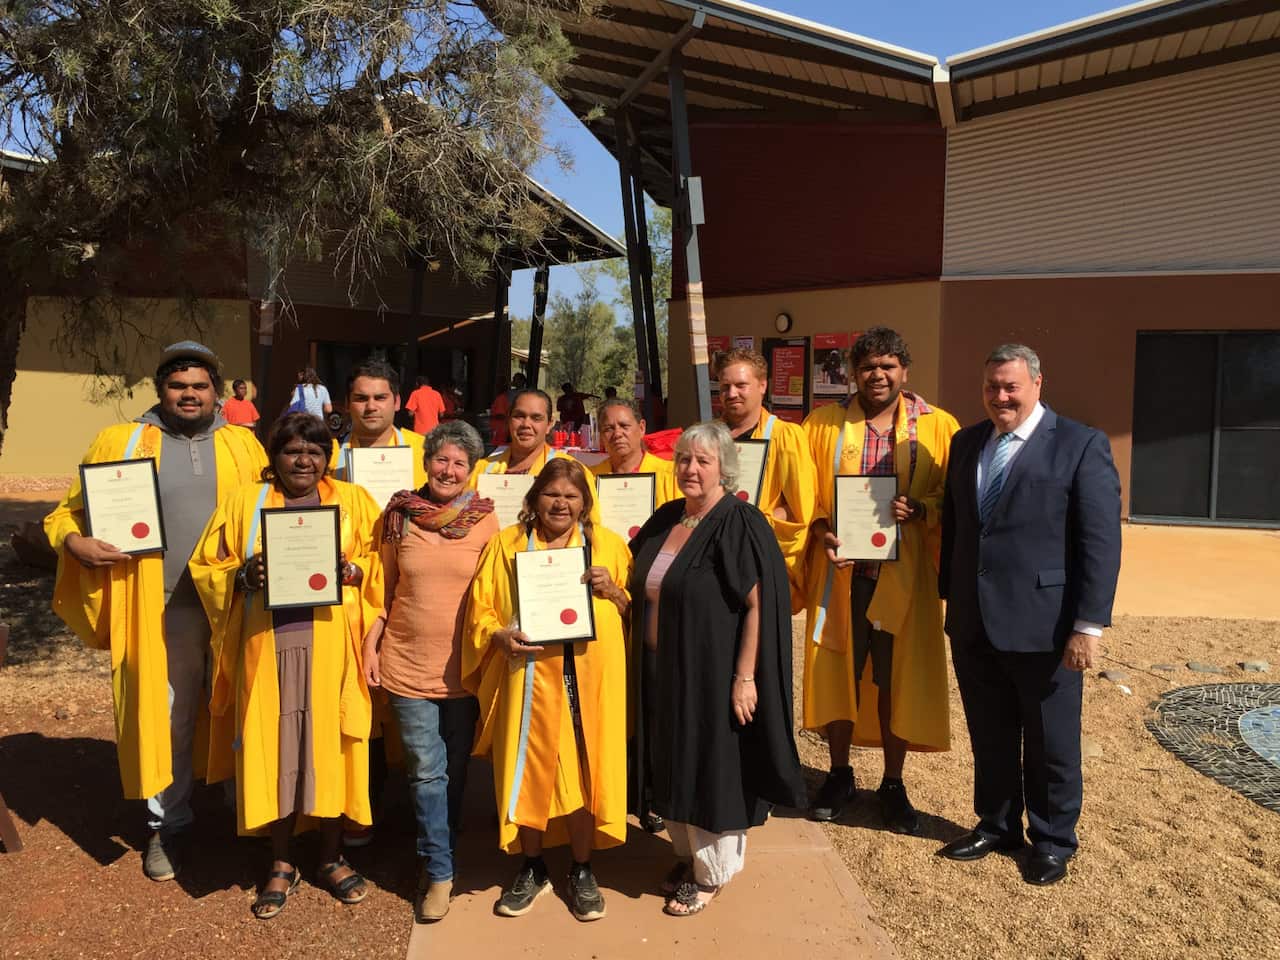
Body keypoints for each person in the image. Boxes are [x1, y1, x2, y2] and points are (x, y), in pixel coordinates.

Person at [44, 341, 267, 881]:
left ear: (218, 392)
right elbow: (65, 514)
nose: (189, 394)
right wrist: (75, 543)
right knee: (171, 715)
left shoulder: (244, 445)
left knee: (246, 705)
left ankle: (251, 814)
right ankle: (169, 823)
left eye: (200, 386)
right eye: (177, 385)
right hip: (163, 606)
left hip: (238, 603)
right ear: (159, 389)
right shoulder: (120, 443)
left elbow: (277, 506)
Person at [938, 344, 1121, 887]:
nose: (1001, 397)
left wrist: (1088, 625)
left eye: (1011, 386)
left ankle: (1053, 839)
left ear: (1037, 385)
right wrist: (951, 598)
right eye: (992, 387)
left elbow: (1100, 542)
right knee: (990, 734)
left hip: (1046, 624)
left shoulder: (1081, 445)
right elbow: (959, 528)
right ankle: (996, 824)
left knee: (1051, 740)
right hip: (975, 622)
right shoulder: (967, 442)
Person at [189, 412, 384, 918]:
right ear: (275, 456)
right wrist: (240, 575)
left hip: (330, 644)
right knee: (274, 748)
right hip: (265, 641)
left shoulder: (353, 502)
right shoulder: (244, 503)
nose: (304, 459)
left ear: (328, 457)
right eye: (293, 450)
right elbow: (206, 565)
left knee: (331, 746)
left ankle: (329, 857)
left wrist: (355, 569)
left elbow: (381, 562)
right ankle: (280, 862)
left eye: (315, 451)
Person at [628, 421, 806, 917]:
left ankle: (711, 875)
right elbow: (639, 580)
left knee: (711, 768)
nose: (691, 468)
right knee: (675, 762)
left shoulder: (738, 522)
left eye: (703, 460)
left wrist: (745, 677)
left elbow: (757, 605)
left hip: (712, 675)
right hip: (663, 671)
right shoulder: (667, 519)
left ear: (724, 468)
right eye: (684, 458)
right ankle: (687, 857)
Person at [801, 328, 959, 833]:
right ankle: (840, 773)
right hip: (843, 576)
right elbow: (808, 500)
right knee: (840, 674)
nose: (878, 375)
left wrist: (920, 509)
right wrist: (823, 531)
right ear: (853, 372)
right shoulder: (822, 425)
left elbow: (950, 500)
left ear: (904, 371)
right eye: (868, 365)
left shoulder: (938, 427)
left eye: (888, 365)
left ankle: (893, 781)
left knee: (897, 678)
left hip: (904, 578)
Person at [462, 458, 631, 921]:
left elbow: (631, 607)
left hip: (585, 679)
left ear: (585, 503)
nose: (561, 503)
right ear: (535, 497)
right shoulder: (507, 545)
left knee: (581, 768)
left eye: (571, 496)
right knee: (529, 768)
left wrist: (613, 590)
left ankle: (581, 868)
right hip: (531, 674)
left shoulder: (607, 546)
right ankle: (531, 866)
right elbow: (482, 611)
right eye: (552, 493)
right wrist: (498, 636)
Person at [362, 420, 500, 923]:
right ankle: (439, 870)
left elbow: (497, 591)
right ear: (427, 462)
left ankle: (444, 838)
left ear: (471, 471)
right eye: (442, 459)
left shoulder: (486, 519)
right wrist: (373, 646)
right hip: (407, 662)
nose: (449, 469)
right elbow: (383, 587)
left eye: (460, 463)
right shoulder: (398, 516)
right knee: (426, 770)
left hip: (463, 668)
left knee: (456, 768)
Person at [326, 358, 426, 846]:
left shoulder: (425, 454)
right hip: (350, 592)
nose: (370, 406)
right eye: (361, 398)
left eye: (379, 397)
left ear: (398, 402)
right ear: (347, 403)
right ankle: (359, 809)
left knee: (410, 696)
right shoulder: (327, 457)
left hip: (414, 590)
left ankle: (416, 814)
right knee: (360, 699)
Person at [716, 349, 816, 599]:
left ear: (762, 385)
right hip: (713, 557)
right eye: (725, 386)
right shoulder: (709, 436)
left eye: (741, 385)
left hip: (760, 562)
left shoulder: (786, 436)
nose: (732, 394)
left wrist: (751, 523)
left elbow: (800, 509)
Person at [589, 397, 679, 509]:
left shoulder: (672, 475)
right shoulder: (589, 478)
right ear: (601, 436)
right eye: (608, 429)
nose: (617, 434)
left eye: (624, 426)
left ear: (642, 428)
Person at [470, 388, 566, 481]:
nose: (526, 424)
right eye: (519, 416)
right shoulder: (482, 470)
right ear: (508, 420)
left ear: (549, 424)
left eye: (536, 418)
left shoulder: (567, 470)